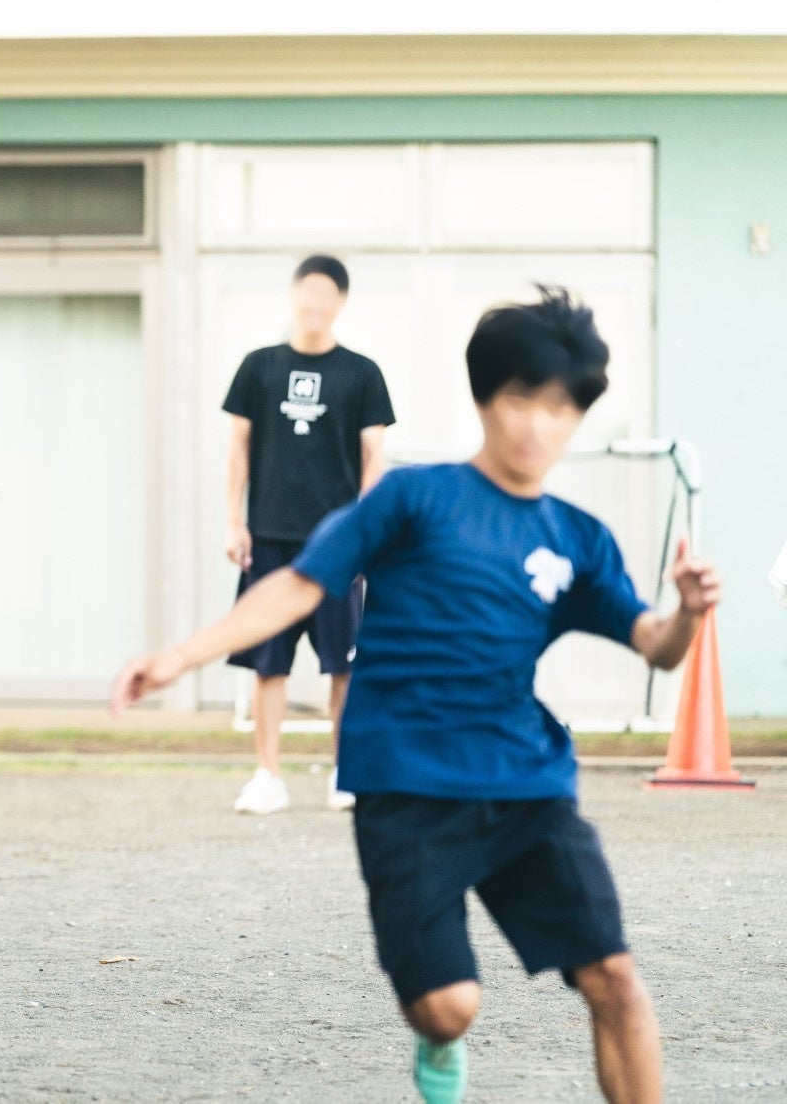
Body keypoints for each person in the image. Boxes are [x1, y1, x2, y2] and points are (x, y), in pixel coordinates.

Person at [113, 287, 718, 1104]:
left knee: (615, 976)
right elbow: (296, 584)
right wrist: (180, 656)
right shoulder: (410, 498)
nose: (539, 425)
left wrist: (685, 609)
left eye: (561, 408)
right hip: (406, 788)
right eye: (520, 400)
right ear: (484, 398)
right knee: (447, 1007)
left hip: (526, 785)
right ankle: (438, 1045)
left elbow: (658, 647)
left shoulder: (576, 537)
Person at [221, 254, 394, 814]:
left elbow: (375, 459)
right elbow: (238, 449)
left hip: (337, 543)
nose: (315, 304)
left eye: (327, 295)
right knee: (267, 662)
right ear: (294, 296)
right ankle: (267, 774)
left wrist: (366, 531)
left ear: (340, 303)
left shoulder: (362, 373)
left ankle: (346, 772)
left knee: (344, 663)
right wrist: (233, 519)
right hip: (268, 538)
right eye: (308, 292)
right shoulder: (258, 367)